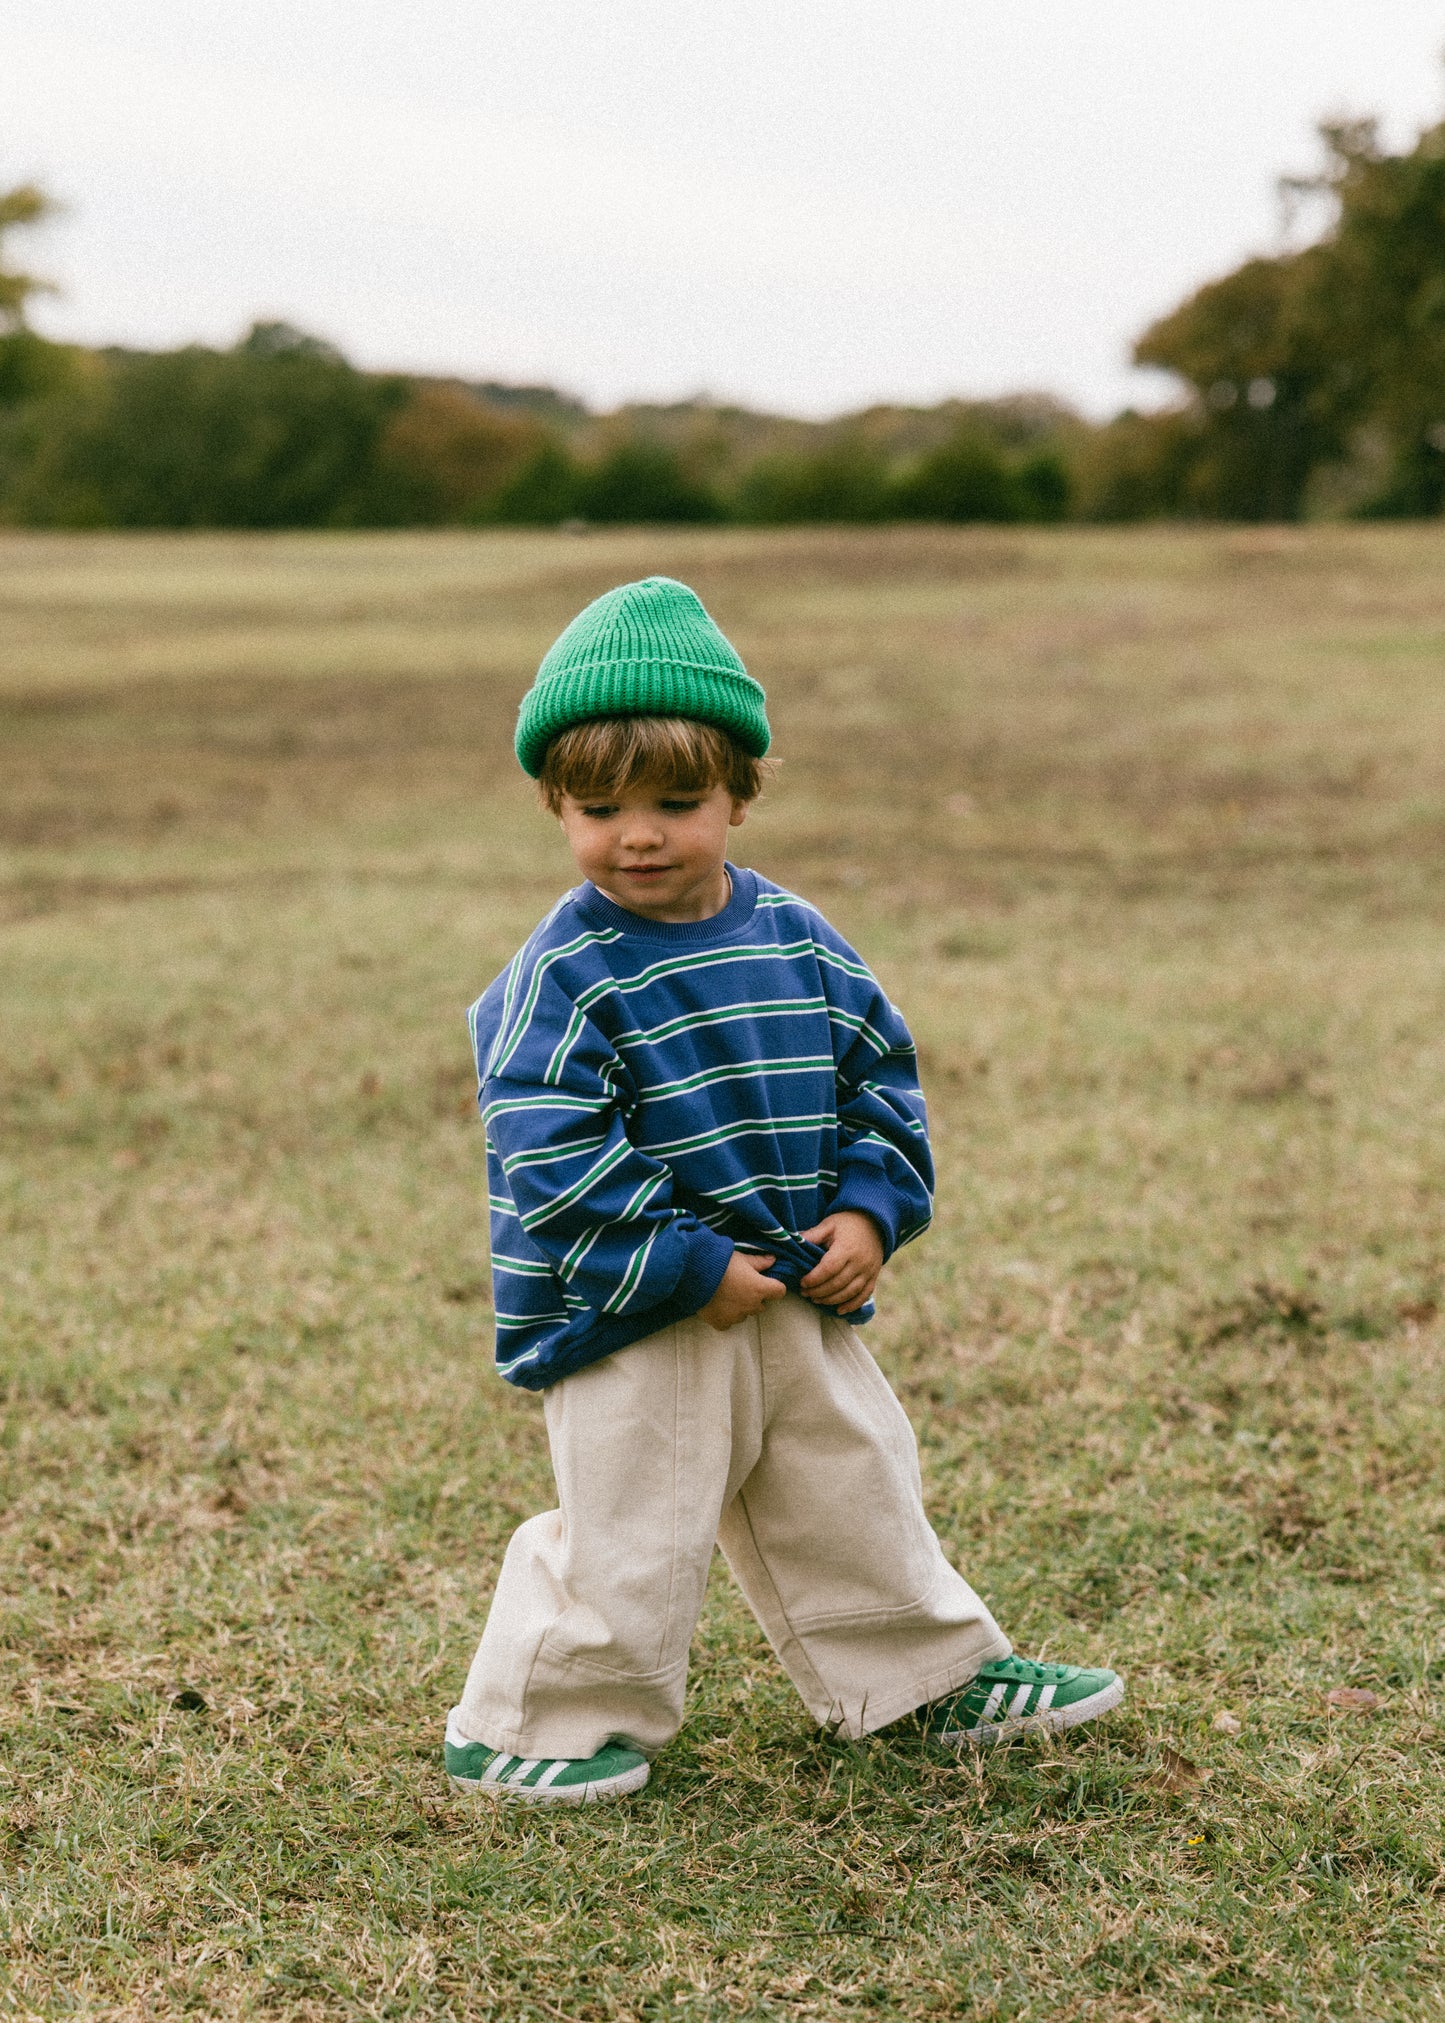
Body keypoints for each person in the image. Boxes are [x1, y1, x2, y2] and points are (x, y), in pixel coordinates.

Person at [445, 576, 1124, 1804]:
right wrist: (685, 1266)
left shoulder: (797, 938)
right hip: (635, 1307)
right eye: (598, 807)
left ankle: (917, 1675)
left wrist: (867, 1210)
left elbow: (880, 1079)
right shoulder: (561, 973)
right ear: (554, 804)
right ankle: (534, 1717)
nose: (636, 833)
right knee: (632, 1521)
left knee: (848, 1475)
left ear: (740, 794)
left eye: (675, 801)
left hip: (793, 1280)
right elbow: (546, 1146)